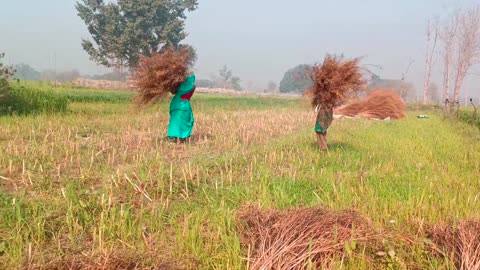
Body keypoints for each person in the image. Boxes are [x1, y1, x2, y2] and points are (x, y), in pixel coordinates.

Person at [167, 74, 196, 143]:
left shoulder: (180, 86)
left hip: (176, 104)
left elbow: (173, 91)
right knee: (184, 122)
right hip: (185, 106)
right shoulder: (193, 87)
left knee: (176, 122)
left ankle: (177, 139)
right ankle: (183, 138)